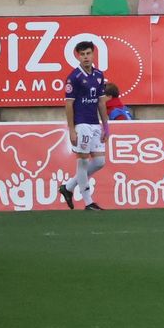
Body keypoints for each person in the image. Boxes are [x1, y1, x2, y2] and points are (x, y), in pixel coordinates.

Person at [53, 40, 110, 211]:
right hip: (82, 124)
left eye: (88, 53)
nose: (86, 57)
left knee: (99, 161)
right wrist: (72, 129)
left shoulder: (99, 75)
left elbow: (101, 102)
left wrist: (106, 126)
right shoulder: (74, 77)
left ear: (93, 54)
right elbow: (69, 104)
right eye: (82, 54)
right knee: (83, 162)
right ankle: (88, 202)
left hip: (94, 123)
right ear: (78, 56)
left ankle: (68, 187)